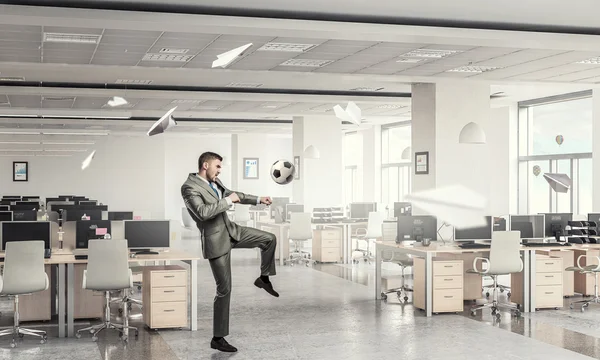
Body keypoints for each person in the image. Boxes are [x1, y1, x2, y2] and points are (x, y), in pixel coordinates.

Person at [181, 151, 279, 353]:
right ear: (205, 165)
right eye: (217, 166)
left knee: (269, 239)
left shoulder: (214, 182)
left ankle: (264, 278)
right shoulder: (189, 187)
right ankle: (218, 338)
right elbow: (202, 213)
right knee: (224, 290)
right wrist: (228, 201)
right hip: (216, 241)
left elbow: (234, 194)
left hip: (233, 231)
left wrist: (259, 199)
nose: (219, 170)